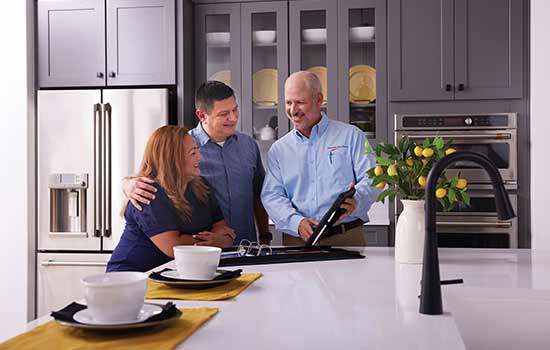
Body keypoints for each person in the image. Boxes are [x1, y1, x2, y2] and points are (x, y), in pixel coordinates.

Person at [122, 81, 270, 244]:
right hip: (201, 249)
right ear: (201, 115)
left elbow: (258, 194)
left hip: (246, 246)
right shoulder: (182, 146)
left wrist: (264, 236)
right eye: (224, 114)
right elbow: (155, 176)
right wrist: (128, 184)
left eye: (235, 110)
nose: (233, 118)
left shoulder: (248, 145)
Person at [261, 71, 379, 246]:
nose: (293, 110)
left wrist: (357, 199)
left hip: (346, 237)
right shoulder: (279, 149)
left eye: (300, 102)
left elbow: (373, 177)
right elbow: (272, 195)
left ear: (319, 100)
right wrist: (296, 222)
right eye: (288, 102)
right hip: (298, 240)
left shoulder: (352, 136)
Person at [107, 126, 235, 272]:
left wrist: (219, 239)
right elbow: (174, 247)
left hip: (171, 274)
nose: (200, 157)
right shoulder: (149, 192)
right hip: (132, 277)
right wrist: (216, 241)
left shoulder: (200, 186)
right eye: (193, 152)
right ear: (173, 159)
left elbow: (223, 228)